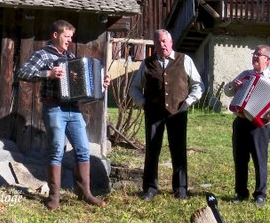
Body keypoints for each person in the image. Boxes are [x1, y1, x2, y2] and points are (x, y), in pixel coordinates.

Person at [17, 20, 110, 210]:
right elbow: (22, 72)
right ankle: (54, 198)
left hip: (73, 109)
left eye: (71, 37)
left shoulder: (71, 56)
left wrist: (101, 83)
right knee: (57, 150)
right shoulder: (42, 55)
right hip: (54, 108)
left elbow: (82, 84)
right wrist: (48, 73)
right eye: (66, 36)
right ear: (55, 35)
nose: (69, 40)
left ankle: (85, 193)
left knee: (83, 149)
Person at [129, 29, 204, 201]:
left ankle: (181, 188)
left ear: (171, 42)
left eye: (164, 41)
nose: (161, 45)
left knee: (178, 150)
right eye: (157, 42)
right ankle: (150, 188)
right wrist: (144, 104)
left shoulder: (184, 60)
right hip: (153, 112)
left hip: (177, 112)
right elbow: (134, 88)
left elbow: (198, 85)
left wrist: (188, 102)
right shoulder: (147, 63)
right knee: (152, 150)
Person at [224, 45, 270, 207]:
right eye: (254, 54)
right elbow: (228, 92)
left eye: (259, 54)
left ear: (267, 60)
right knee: (240, 159)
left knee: (260, 160)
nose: (255, 56)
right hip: (241, 122)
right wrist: (232, 87)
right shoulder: (245, 75)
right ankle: (241, 192)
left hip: (260, 125)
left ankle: (260, 194)